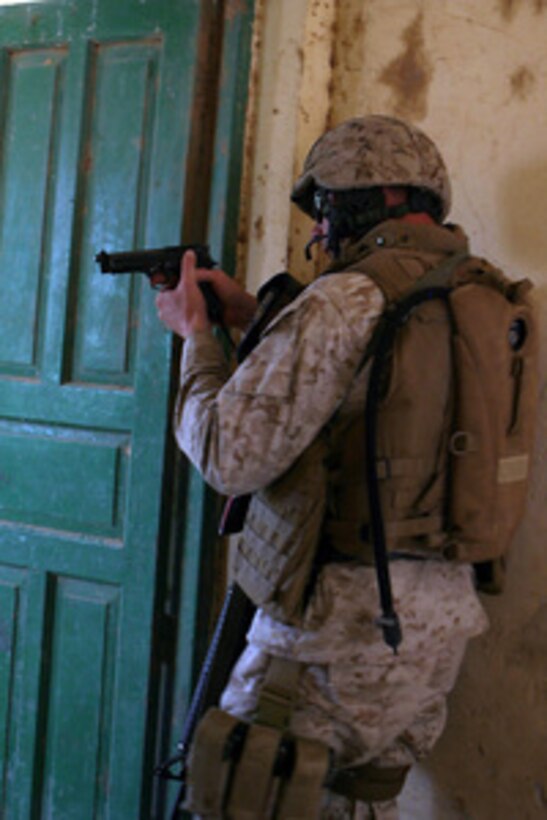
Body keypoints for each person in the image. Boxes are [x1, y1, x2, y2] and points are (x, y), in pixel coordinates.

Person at [156, 115, 489, 820]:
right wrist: (258, 318)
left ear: (359, 203)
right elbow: (374, 396)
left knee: (241, 794)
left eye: (324, 209)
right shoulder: (481, 296)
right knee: (354, 803)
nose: (317, 233)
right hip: (437, 632)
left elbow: (228, 452)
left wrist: (197, 337)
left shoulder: (344, 298)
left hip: (335, 628)